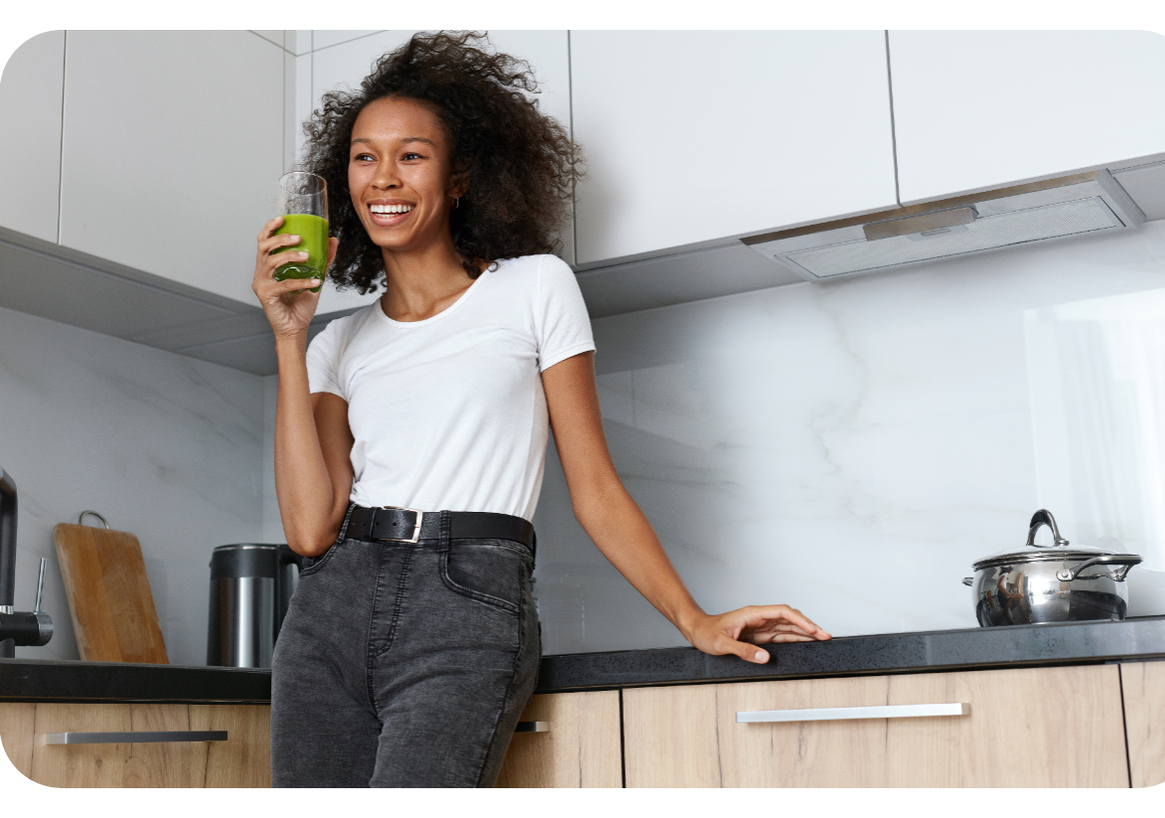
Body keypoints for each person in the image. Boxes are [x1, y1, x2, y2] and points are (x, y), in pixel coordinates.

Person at [251, 31, 831, 789]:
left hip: (465, 603)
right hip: (330, 611)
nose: (383, 178)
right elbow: (308, 528)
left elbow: (594, 486)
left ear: (459, 178)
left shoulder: (533, 289)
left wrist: (693, 617)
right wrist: (289, 335)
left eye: (412, 154)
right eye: (364, 156)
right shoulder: (334, 342)